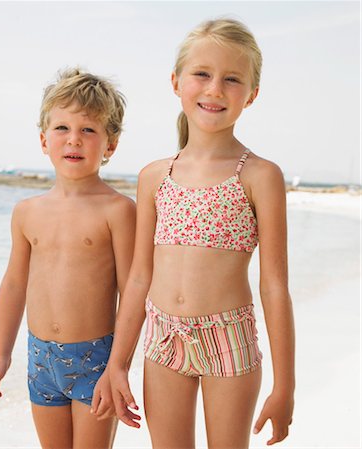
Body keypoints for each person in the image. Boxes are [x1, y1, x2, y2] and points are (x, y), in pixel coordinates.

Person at [96, 18, 295, 448]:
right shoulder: (154, 176)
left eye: (232, 79)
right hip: (163, 340)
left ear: (252, 94)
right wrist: (118, 363)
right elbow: (138, 278)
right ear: (176, 82)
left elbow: (275, 285)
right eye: (202, 74)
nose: (214, 89)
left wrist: (285, 386)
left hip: (229, 337)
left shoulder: (260, 176)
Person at [0, 68, 136, 449]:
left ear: (110, 145)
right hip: (40, 358)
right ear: (44, 140)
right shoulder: (27, 211)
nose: (74, 140)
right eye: (62, 128)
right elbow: (15, 284)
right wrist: (1, 355)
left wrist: (119, 366)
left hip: (96, 359)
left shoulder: (118, 211)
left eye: (89, 130)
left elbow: (133, 292)